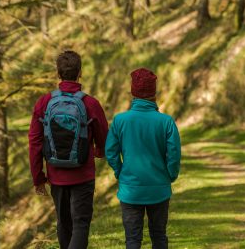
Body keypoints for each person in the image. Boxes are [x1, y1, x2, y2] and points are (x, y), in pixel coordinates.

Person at [28, 50, 108, 249]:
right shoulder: (90, 103)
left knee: (64, 224)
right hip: (83, 174)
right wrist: (98, 152)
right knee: (80, 224)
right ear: (80, 72)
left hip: (56, 174)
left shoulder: (44, 103)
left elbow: (35, 142)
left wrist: (38, 177)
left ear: (58, 73)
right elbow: (104, 138)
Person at [105, 68, 181, 249]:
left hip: (131, 189)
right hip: (159, 189)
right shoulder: (166, 122)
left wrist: (120, 171)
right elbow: (174, 155)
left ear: (133, 92)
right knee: (159, 236)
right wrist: (169, 175)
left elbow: (111, 152)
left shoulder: (120, 120)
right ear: (154, 92)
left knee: (132, 239)